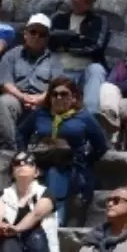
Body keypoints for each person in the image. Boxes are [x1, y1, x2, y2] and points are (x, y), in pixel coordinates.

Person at [19, 76, 110, 226]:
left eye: (64, 94)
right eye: (54, 94)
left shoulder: (84, 117)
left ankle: (55, 221)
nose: (58, 97)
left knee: (56, 174)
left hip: (71, 166)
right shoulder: (40, 115)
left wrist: (86, 160)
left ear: (73, 97)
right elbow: (21, 133)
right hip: (43, 162)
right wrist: (25, 155)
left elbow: (101, 145)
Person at [0, 14, 62, 151]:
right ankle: (8, 148)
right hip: (17, 98)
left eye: (42, 34)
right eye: (33, 32)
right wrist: (22, 97)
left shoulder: (54, 60)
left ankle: (45, 148)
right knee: (4, 101)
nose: (36, 37)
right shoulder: (11, 55)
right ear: (25, 34)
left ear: (47, 38)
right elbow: (5, 84)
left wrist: (40, 99)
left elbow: (57, 86)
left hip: (43, 101)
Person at [50, 0, 110, 114]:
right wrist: (78, 39)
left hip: (85, 71)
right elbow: (50, 42)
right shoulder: (58, 19)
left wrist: (65, 44)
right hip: (60, 70)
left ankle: (90, 116)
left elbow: (95, 46)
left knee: (96, 69)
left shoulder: (99, 20)